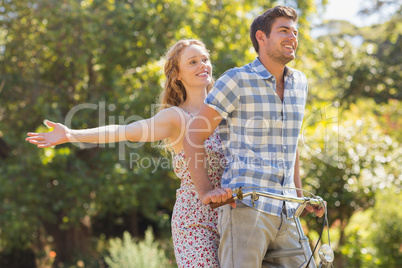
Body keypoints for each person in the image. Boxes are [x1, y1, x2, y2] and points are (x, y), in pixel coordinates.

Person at [26, 39, 229, 268]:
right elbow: (123, 131)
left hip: (233, 215)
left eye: (205, 59)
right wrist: (71, 134)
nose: (202, 65)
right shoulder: (175, 117)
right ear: (177, 75)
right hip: (195, 220)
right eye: (192, 62)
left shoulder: (226, 112)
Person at [183, 6, 324, 268]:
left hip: (286, 213)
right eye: (283, 31)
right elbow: (194, 133)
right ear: (261, 37)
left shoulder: (300, 83)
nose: (292, 37)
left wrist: (299, 196)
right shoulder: (236, 80)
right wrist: (205, 191)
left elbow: (290, 145)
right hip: (246, 210)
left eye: (295, 32)